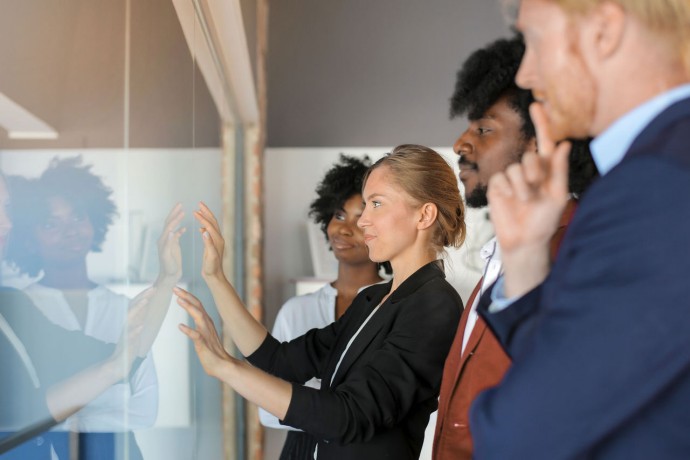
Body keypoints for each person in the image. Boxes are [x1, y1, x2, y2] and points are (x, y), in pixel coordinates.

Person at [469, 0, 690, 458]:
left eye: (534, 41)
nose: (526, 74)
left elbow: (522, 432)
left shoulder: (658, 183)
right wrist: (525, 258)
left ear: (604, 30)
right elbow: (585, 374)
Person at [177, 144, 466, 459]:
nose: (363, 221)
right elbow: (280, 361)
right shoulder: (372, 300)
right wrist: (216, 278)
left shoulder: (435, 305)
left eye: (376, 204)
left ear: (424, 215)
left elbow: (350, 415)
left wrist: (227, 368)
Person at [432, 34, 597, 460]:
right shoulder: (499, 254)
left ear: (538, 141)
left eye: (484, 129)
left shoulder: (580, 251)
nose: (460, 143)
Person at [4, 157, 184, 459]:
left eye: (78, 217)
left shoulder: (121, 306)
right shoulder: (20, 310)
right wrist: (99, 392)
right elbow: (24, 414)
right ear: (29, 238)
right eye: (50, 223)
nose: (70, 231)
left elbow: (142, 405)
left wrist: (167, 280)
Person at [259, 154, 387, 460]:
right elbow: (267, 409)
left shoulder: (394, 306)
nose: (344, 229)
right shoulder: (296, 310)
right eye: (339, 215)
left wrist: (300, 398)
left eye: (359, 218)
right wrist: (339, 402)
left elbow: (385, 407)